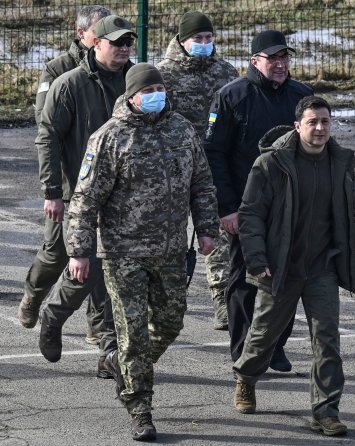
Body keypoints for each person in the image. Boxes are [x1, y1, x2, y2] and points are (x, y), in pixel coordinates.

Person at [65, 63, 219, 442]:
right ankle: (140, 408)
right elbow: (84, 200)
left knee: (170, 323)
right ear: (132, 96)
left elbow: (202, 182)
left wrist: (207, 228)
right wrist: (79, 251)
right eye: (148, 91)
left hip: (169, 249)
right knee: (132, 332)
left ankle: (121, 363)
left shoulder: (182, 130)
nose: (156, 96)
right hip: (123, 252)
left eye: (160, 89)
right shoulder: (110, 138)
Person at [232, 96, 355, 437]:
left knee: (327, 340)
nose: (319, 129)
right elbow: (251, 216)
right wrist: (257, 260)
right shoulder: (271, 164)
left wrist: (343, 255)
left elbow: (349, 213)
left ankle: (326, 411)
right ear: (297, 126)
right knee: (264, 335)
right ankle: (245, 376)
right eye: (312, 122)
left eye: (325, 122)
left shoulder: (341, 162)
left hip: (322, 268)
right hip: (281, 267)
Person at [28, 14, 136, 377]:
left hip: (124, 201)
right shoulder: (68, 83)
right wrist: (53, 192)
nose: (124, 48)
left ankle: (109, 351)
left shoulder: (135, 82)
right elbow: (49, 137)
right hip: (80, 195)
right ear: (95, 42)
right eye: (117, 42)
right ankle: (49, 311)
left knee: (113, 274)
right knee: (74, 264)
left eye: (128, 43)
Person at [204, 30, 313, 371]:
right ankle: (242, 351)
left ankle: (274, 346)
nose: (280, 65)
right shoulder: (232, 96)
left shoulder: (302, 96)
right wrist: (227, 208)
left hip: (292, 207)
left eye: (284, 58)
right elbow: (215, 154)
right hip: (246, 207)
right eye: (272, 58)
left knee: (288, 279)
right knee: (243, 282)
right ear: (254, 61)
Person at [22, 4, 111, 349]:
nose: (107, 39)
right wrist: (54, 190)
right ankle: (34, 293)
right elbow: (47, 132)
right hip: (69, 183)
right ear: (82, 34)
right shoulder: (58, 70)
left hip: (104, 185)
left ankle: (98, 324)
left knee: (101, 254)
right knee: (58, 251)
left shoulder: (117, 71)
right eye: (99, 32)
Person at [156, 11, 239, 330]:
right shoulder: (164, 74)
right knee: (171, 234)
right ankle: (162, 299)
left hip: (214, 164)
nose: (204, 44)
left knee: (217, 231)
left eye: (208, 38)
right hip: (175, 165)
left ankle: (222, 299)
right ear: (182, 40)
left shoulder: (226, 72)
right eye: (197, 39)